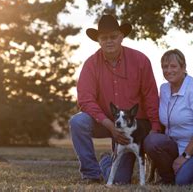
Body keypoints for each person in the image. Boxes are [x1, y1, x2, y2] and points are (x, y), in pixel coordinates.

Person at [69, 14, 161, 184]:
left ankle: (107, 161)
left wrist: (155, 126)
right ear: (98, 40)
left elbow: (151, 96)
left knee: (119, 180)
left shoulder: (140, 61)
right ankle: (91, 173)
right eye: (104, 38)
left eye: (113, 36)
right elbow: (85, 100)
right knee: (78, 122)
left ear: (121, 37)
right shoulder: (91, 64)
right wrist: (110, 125)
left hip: (134, 126)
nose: (109, 41)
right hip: (105, 121)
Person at [144, 49, 193, 185]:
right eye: (165, 67)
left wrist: (185, 156)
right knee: (152, 141)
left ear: (183, 67)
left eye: (173, 66)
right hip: (176, 146)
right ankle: (168, 178)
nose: (169, 70)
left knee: (183, 181)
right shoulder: (164, 89)